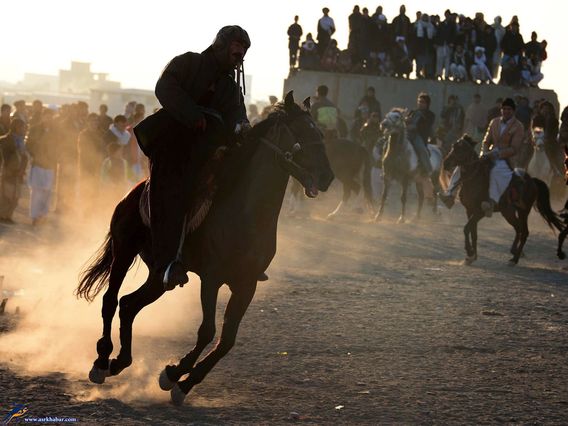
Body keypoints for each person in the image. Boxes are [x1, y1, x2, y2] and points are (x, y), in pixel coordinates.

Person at [133, 25, 251, 290]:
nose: (240, 53)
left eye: (243, 49)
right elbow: (165, 87)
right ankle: (167, 263)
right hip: (173, 146)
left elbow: (238, 115)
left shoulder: (232, 89)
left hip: (208, 150)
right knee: (175, 190)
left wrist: (243, 128)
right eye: (236, 46)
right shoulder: (188, 62)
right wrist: (192, 115)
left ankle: (239, 257)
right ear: (221, 45)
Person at [480, 98, 524, 217]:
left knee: (495, 171)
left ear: (513, 111)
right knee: (473, 166)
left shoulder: (518, 126)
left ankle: (491, 203)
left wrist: (498, 154)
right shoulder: (494, 122)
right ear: (501, 110)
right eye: (504, 109)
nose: (506, 111)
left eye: (509, 109)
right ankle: (451, 194)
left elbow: (514, 148)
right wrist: (484, 151)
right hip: (489, 154)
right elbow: (486, 140)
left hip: (506, 159)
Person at [26, 108, 60, 226]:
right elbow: (28, 144)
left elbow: (59, 146)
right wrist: (35, 155)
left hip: (50, 165)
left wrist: (54, 157)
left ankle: (43, 215)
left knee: (47, 192)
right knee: (36, 191)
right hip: (38, 165)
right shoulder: (35, 129)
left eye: (50, 116)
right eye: (46, 116)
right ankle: (35, 217)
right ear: (43, 116)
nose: (48, 118)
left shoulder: (56, 131)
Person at [0, 119, 27, 223]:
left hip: (18, 171)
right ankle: (3, 216)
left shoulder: (20, 140)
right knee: (6, 195)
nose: (24, 129)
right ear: (16, 127)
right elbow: (5, 157)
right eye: (22, 127)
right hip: (8, 171)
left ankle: (8, 216)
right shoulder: (5, 139)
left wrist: (22, 169)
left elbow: (24, 156)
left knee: (16, 196)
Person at [406, 92, 435, 176]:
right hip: (408, 134)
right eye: (419, 101)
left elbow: (426, 126)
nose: (420, 103)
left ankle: (428, 170)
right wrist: (406, 120)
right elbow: (406, 122)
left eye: (422, 102)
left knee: (421, 149)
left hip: (419, 136)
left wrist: (415, 127)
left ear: (427, 104)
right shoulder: (413, 112)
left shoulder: (430, 115)